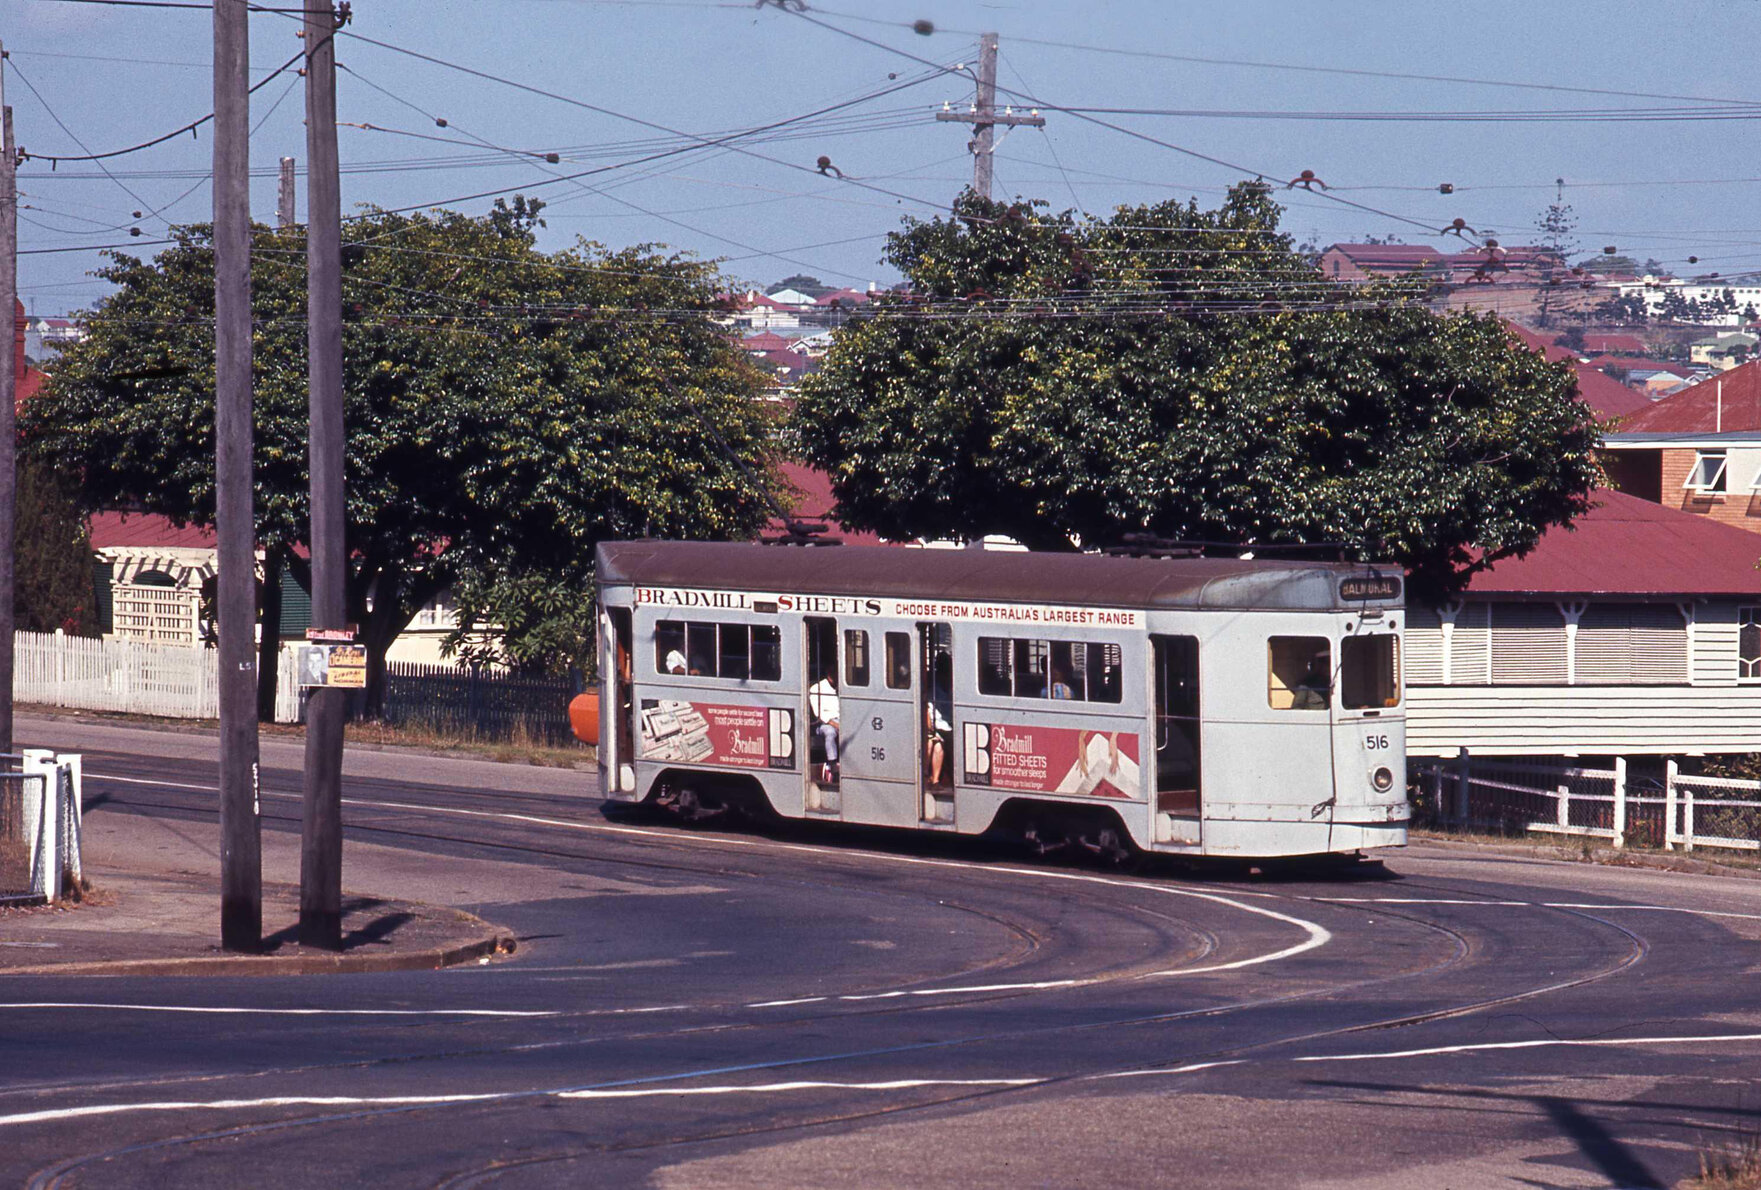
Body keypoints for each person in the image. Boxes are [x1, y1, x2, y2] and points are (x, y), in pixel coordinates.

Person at [809, 667, 841, 785]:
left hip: (841, 720)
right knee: (830, 733)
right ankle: (833, 766)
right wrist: (836, 725)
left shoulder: (841, 687)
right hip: (824, 723)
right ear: (828, 673)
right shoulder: (816, 689)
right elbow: (820, 714)